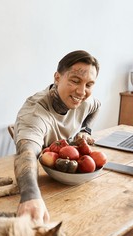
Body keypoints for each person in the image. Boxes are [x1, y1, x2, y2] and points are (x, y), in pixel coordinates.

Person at [13, 50, 101, 224]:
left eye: (89, 85)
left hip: (72, 184)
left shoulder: (85, 101)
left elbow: (96, 106)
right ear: (57, 78)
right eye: (75, 81)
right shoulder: (35, 112)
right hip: (46, 185)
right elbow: (26, 153)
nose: (82, 91)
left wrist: (86, 130)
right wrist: (30, 196)